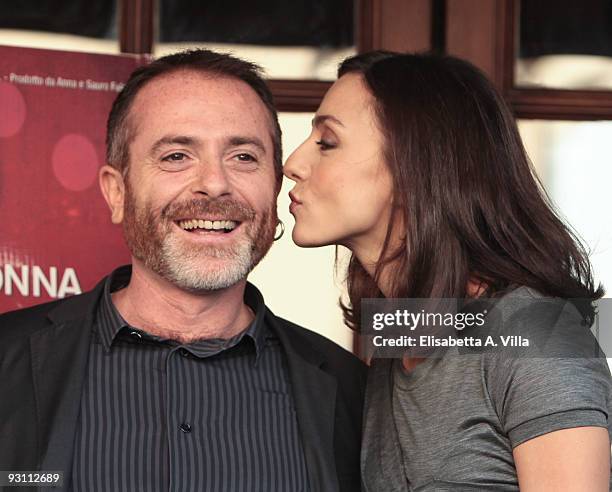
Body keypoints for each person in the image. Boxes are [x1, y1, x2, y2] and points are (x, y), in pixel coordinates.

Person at [0, 49, 366, 492]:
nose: (214, 183)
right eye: (176, 156)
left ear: (273, 188)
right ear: (117, 192)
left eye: (244, 157)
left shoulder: (353, 393)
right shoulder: (9, 360)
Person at [283, 51, 612, 491]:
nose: (293, 164)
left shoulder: (538, 336)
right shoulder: (401, 340)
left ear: (413, 164)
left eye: (327, 142)